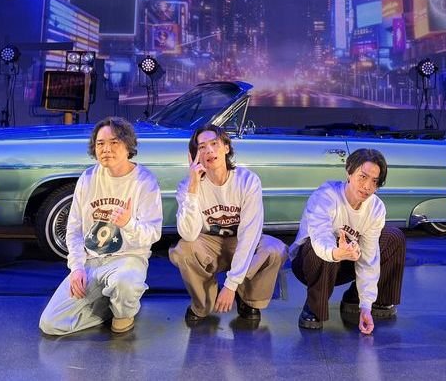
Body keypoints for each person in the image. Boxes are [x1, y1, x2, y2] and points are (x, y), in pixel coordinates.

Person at [39, 117, 163, 336]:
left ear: (128, 145)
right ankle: (109, 306)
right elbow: (74, 229)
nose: (106, 149)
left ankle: (123, 311)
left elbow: (153, 234)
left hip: (127, 259)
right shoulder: (88, 178)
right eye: (100, 143)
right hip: (91, 261)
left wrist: (128, 223)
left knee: (125, 284)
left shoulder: (144, 181)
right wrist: (77, 267)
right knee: (51, 324)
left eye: (114, 142)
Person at [169, 124, 287, 324]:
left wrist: (231, 284)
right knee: (183, 250)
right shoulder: (187, 186)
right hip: (209, 244)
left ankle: (249, 299)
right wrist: (193, 187)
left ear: (226, 147)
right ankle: (203, 303)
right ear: (195, 155)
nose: (209, 150)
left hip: (240, 240)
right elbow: (189, 234)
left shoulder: (247, 181)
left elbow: (249, 234)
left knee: (274, 249)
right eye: (202, 147)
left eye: (214, 143)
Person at [289, 148, 406, 334]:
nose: (367, 186)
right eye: (363, 177)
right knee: (327, 243)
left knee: (393, 237)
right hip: (309, 263)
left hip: (347, 261)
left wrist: (366, 305)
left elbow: (369, 257)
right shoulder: (326, 196)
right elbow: (320, 237)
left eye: (374, 181)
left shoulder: (376, 208)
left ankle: (357, 299)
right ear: (349, 172)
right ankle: (314, 305)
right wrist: (336, 253)